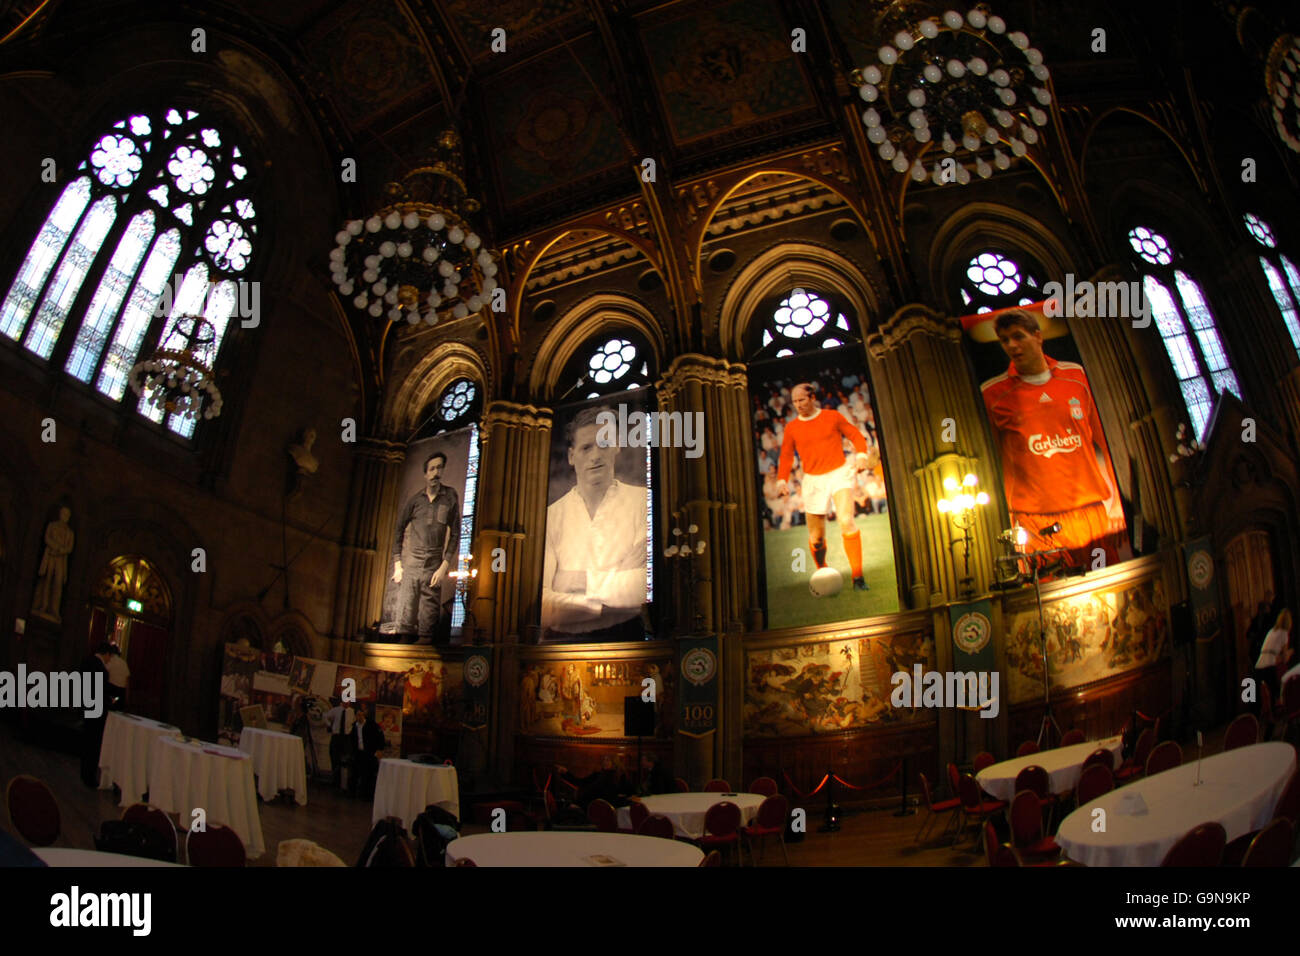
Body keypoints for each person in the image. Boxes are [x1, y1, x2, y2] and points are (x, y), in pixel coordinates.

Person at [981, 309, 1126, 566]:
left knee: (1108, 591)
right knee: (1051, 600)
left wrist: (1116, 504)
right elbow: (991, 465)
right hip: (1034, 520)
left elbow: (1106, 441)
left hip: (1089, 512)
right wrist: (1008, 518)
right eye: (1005, 340)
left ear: (1037, 336)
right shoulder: (993, 394)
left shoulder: (1076, 377)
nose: (1012, 345)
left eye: (1018, 336)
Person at [542, 405, 647, 640]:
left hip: (626, 635)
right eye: (586, 447)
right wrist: (610, 598)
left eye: (605, 444)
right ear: (571, 455)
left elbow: (640, 588)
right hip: (560, 640)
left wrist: (576, 581)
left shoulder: (642, 502)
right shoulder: (551, 516)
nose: (596, 455)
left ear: (617, 446)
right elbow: (543, 606)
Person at [775, 383, 877, 591]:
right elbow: (786, 456)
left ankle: (858, 578)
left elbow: (856, 436)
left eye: (802, 400)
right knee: (817, 539)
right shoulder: (792, 427)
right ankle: (822, 570)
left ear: (812, 397)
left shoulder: (832, 417)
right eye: (794, 402)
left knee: (846, 520)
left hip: (839, 473)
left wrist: (861, 456)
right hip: (813, 481)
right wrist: (782, 480)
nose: (798, 405)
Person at [391, 451, 461, 644]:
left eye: (439, 467)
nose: (435, 472)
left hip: (434, 563)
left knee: (427, 625)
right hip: (412, 562)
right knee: (406, 617)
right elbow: (398, 531)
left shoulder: (450, 497)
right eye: (431, 469)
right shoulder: (415, 501)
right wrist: (398, 565)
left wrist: (443, 567)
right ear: (425, 474)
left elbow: (455, 533)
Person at [79, 642, 113, 787]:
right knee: (94, 745)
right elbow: (102, 692)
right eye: (109, 657)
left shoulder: (86, 662)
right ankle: (90, 777)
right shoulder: (101, 669)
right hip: (98, 711)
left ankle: (84, 772)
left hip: (87, 706)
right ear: (106, 654)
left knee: (86, 742)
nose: (109, 660)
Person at [1255, 608, 1293, 704]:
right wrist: (1290, 652)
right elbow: (1284, 659)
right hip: (1269, 666)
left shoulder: (1271, 631)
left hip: (1259, 665)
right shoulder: (1284, 634)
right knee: (1276, 694)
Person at [350, 706, 387, 799]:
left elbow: (380, 737)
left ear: (364, 715)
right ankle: (353, 793)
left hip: (369, 753)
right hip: (358, 752)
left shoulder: (372, 725)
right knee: (355, 773)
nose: (359, 717)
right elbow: (352, 739)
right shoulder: (354, 726)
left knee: (368, 774)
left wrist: (379, 749)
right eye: (357, 715)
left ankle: (367, 795)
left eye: (361, 715)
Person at [322, 698, 355, 789]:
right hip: (336, 737)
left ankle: (344, 784)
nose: (346, 703)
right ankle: (335, 782)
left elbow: (353, 723)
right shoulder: (336, 710)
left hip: (346, 738)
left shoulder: (352, 712)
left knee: (344, 760)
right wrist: (330, 725)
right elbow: (325, 716)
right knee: (334, 758)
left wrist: (350, 731)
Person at [104, 644, 129, 710]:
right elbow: (127, 680)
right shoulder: (124, 663)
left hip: (112, 690)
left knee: (109, 711)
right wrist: (126, 696)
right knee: (118, 712)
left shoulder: (110, 661)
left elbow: (104, 673)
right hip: (121, 692)